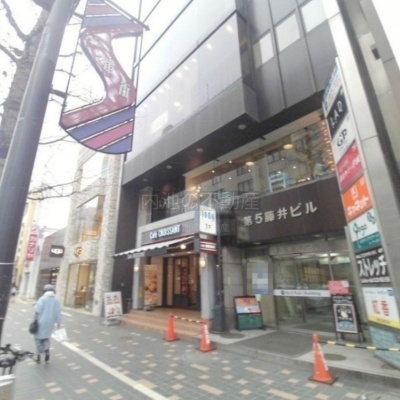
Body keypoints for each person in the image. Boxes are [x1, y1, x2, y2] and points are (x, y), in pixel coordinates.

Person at [33, 284, 62, 363]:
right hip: (50, 323)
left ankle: (38, 356)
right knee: (46, 337)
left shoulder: (42, 299)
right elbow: (58, 312)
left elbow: (37, 310)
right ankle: (47, 350)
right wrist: (59, 323)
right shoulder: (56, 300)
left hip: (41, 322)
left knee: (38, 339)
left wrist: (34, 308)